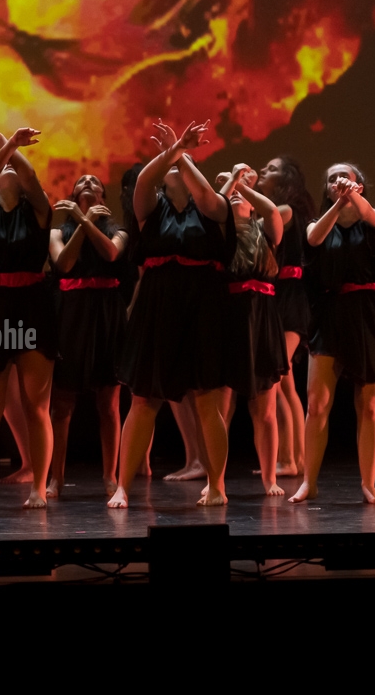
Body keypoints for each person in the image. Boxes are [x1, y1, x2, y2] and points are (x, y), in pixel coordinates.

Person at [110, 120, 233, 509]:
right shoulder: (151, 206)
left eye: (185, 165)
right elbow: (144, 182)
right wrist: (173, 151)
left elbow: (208, 195)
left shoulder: (213, 207)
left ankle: (217, 485)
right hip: (159, 304)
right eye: (173, 166)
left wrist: (181, 155)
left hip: (203, 304)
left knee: (207, 399)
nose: (179, 169)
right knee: (143, 399)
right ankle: (123, 487)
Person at [0, 125, 57, 509]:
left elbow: (30, 175)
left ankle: (39, 487)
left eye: (12, 167)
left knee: (36, 407)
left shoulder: (38, 211)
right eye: (2, 166)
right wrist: (5, 147)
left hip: (32, 306)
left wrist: (10, 143)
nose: (7, 169)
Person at [290, 163, 375, 505]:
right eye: (332, 178)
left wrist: (355, 198)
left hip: (369, 314)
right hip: (330, 314)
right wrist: (339, 203)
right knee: (317, 404)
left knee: (369, 406)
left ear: (360, 184)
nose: (338, 181)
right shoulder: (317, 224)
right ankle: (309, 482)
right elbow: (313, 239)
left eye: (345, 177)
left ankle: (368, 484)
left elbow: (373, 218)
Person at [47, 173, 128, 497]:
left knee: (109, 404)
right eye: (81, 181)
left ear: (103, 198)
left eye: (94, 182)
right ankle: (56, 478)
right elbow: (64, 264)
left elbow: (110, 254)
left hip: (107, 315)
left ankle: (110, 476)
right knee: (62, 404)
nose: (88, 183)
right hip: (71, 314)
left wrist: (84, 220)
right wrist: (82, 222)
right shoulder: (57, 232)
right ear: (72, 196)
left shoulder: (118, 231)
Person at [215, 165, 289, 496]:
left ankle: (270, 479)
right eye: (230, 193)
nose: (234, 195)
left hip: (263, 319)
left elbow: (273, 211)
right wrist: (230, 186)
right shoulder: (217, 233)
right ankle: (215, 481)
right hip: (228, 317)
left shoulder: (265, 230)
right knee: (221, 408)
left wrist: (241, 186)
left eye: (241, 194)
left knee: (265, 410)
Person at [260, 155, 315, 476]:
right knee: (285, 381)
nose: (263, 171)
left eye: (271, 169)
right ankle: (294, 458)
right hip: (282, 297)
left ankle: (290, 459)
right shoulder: (286, 210)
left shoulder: (285, 210)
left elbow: (256, 225)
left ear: (284, 179)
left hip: (290, 299)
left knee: (280, 379)